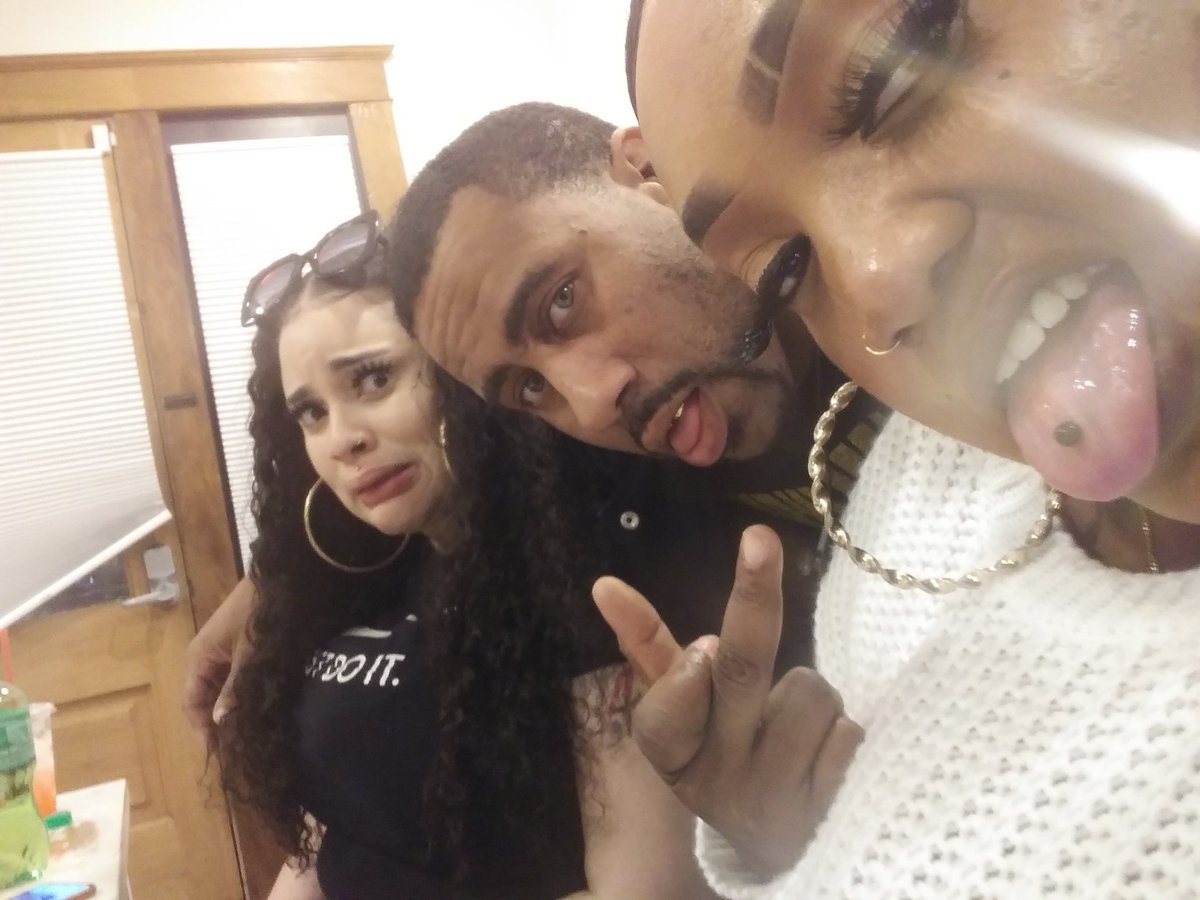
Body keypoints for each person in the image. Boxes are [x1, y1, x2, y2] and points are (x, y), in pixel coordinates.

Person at [591, 1, 1200, 897]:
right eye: (785, 271)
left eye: (894, 66)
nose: (873, 284)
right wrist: (789, 843)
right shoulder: (906, 511)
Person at [215, 211, 743, 899]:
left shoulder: (585, 572)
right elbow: (326, 841)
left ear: (463, 375)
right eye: (311, 412)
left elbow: (643, 892)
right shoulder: (361, 571)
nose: (342, 438)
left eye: (373, 379)